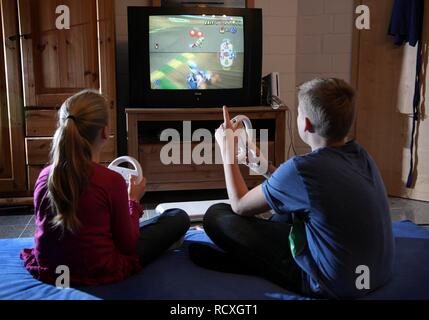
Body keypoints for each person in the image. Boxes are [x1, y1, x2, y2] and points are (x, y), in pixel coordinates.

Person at [189, 78, 395, 299]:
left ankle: (246, 262)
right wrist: (265, 167)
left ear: (305, 123)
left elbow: (239, 205)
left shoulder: (302, 168)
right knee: (287, 211)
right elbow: (308, 192)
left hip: (334, 283)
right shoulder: (360, 154)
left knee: (217, 215)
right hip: (375, 275)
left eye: (297, 113)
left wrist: (227, 151)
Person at [21, 90, 190, 286]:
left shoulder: (44, 176)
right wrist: (133, 200)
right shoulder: (110, 181)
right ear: (104, 131)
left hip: (53, 271)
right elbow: (128, 245)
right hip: (98, 271)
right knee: (177, 216)